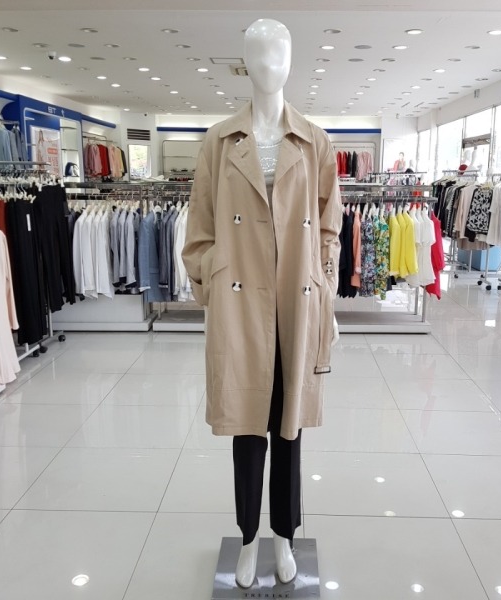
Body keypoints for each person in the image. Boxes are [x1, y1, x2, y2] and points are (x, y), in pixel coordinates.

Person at [182, 18, 342, 589]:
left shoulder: (315, 141)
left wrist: (324, 293)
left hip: (296, 298)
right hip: (241, 302)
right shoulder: (219, 140)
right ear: (244, 62)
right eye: (259, 53)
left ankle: (284, 538)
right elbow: (199, 230)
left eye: (280, 54)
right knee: (249, 429)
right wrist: (213, 284)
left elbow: (329, 228)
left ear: (292, 61)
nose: (270, 64)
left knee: (289, 429)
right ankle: (249, 538)